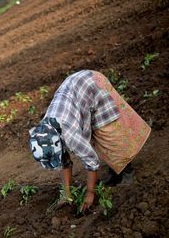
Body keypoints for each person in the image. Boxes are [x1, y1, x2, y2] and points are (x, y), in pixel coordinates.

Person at [29, 70, 151, 212]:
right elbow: (63, 161)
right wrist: (66, 196)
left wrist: (89, 193)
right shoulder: (45, 131)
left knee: (110, 132)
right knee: (99, 137)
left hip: (92, 85)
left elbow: (91, 161)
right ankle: (114, 174)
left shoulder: (70, 135)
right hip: (76, 91)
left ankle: (127, 173)